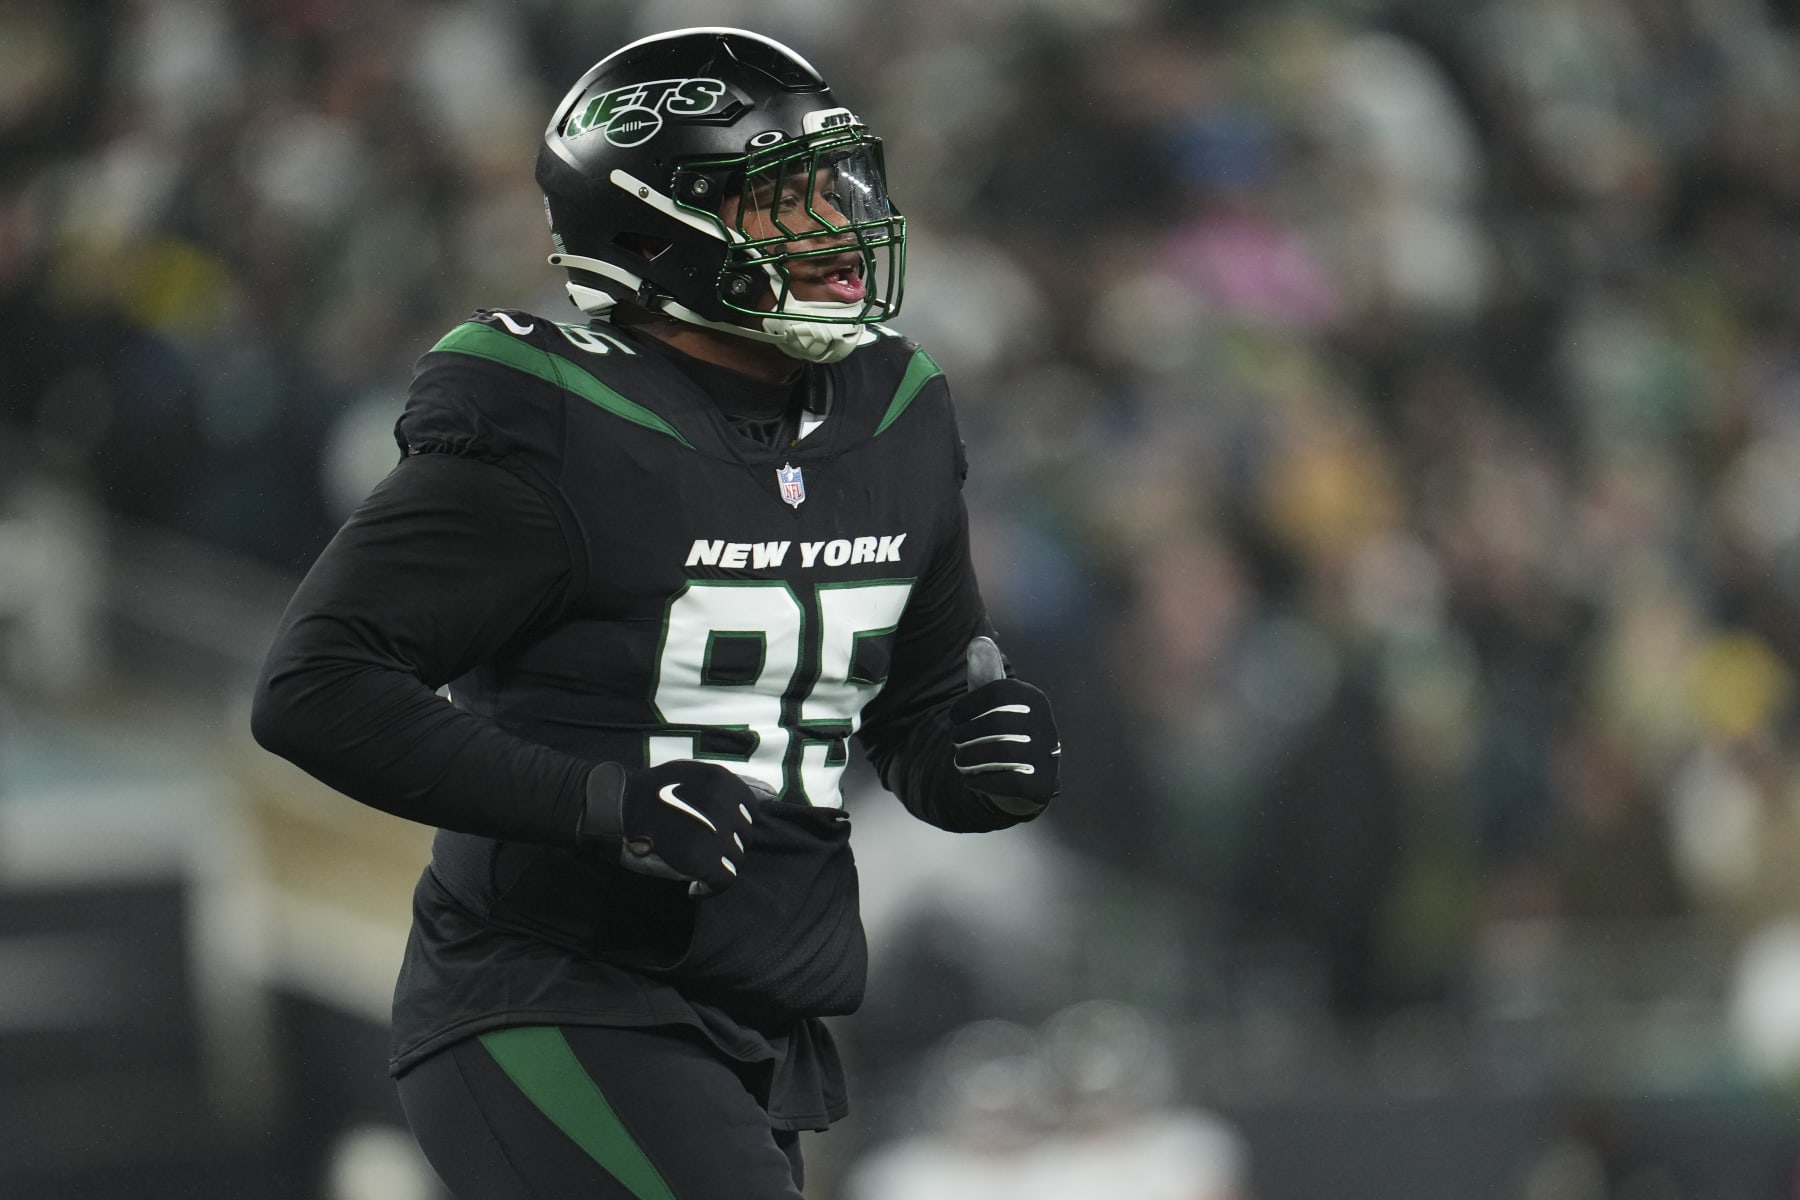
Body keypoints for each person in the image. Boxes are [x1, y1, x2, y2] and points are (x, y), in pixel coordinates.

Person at [250, 26, 1060, 1200]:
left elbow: (917, 708)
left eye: (836, 184)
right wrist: (605, 804)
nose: (835, 226)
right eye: (780, 200)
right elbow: (316, 686)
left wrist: (970, 761)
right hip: (553, 993)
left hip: (760, 1010)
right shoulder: (562, 423)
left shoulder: (898, 411)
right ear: (655, 233)